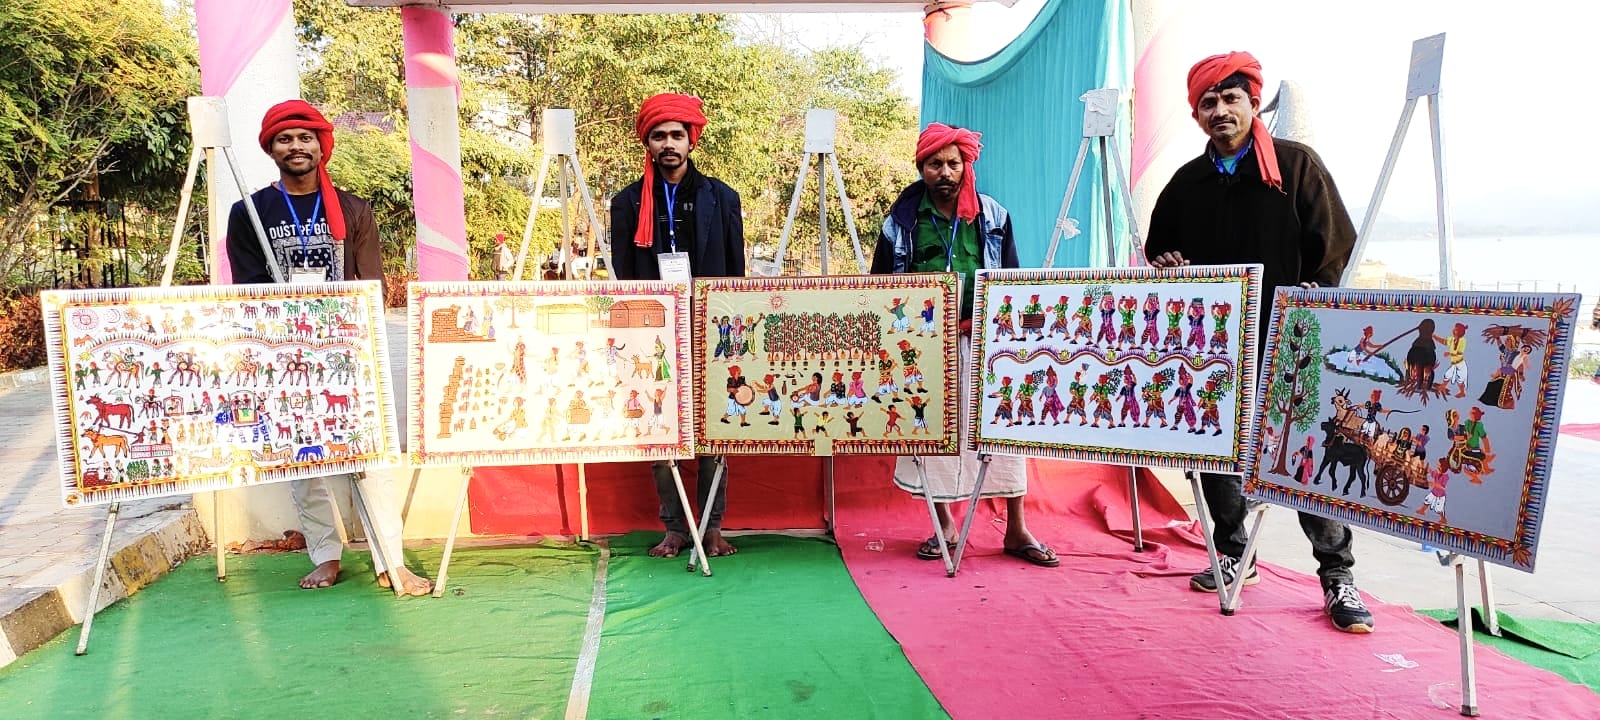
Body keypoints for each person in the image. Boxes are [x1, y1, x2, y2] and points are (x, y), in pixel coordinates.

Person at [1145, 52, 1371, 633]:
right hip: (1216, 354)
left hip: (1292, 350)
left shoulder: (1296, 169)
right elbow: (1159, 252)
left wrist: (1310, 303)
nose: (1220, 110)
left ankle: (1337, 575)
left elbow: (1335, 252)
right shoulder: (1185, 184)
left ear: (1252, 103)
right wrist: (1166, 263)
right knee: (1216, 455)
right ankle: (1230, 551)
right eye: (1208, 102)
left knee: (1307, 464)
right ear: (1196, 115)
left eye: (1231, 99)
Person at [226, 99, 432, 596]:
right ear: (270, 148)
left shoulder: (355, 210)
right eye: (285, 139)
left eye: (305, 138)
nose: (296, 147)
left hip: (349, 354)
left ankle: (390, 559)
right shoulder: (249, 212)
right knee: (306, 460)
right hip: (283, 358)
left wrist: (355, 344)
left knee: (372, 458)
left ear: (321, 145)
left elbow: (371, 287)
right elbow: (249, 291)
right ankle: (325, 556)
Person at [870, 122, 1056, 568]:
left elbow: (1012, 281)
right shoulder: (900, 220)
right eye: (935, 164)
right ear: (921, 167)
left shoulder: (993, 215)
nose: (945, 172)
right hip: (924, 346)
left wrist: (1003, 326)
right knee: (931, 431)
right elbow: (879, 286)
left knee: (1004, 430)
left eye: (954, 163)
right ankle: (945, 524)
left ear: (967, 164)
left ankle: (1016, 528)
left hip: (985, 340)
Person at [610, 93, 745, 559]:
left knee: (714, 430)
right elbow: (625, 278)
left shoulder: (723, 198)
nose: (668, 144)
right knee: (657, 429)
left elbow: (735, 275)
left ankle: (711, 526)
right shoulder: (627, 203)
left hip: (710, 332)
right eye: (658, 135)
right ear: (647, 142)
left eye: (676, 135)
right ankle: (674, 526)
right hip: (653, 337)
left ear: (692, 139)